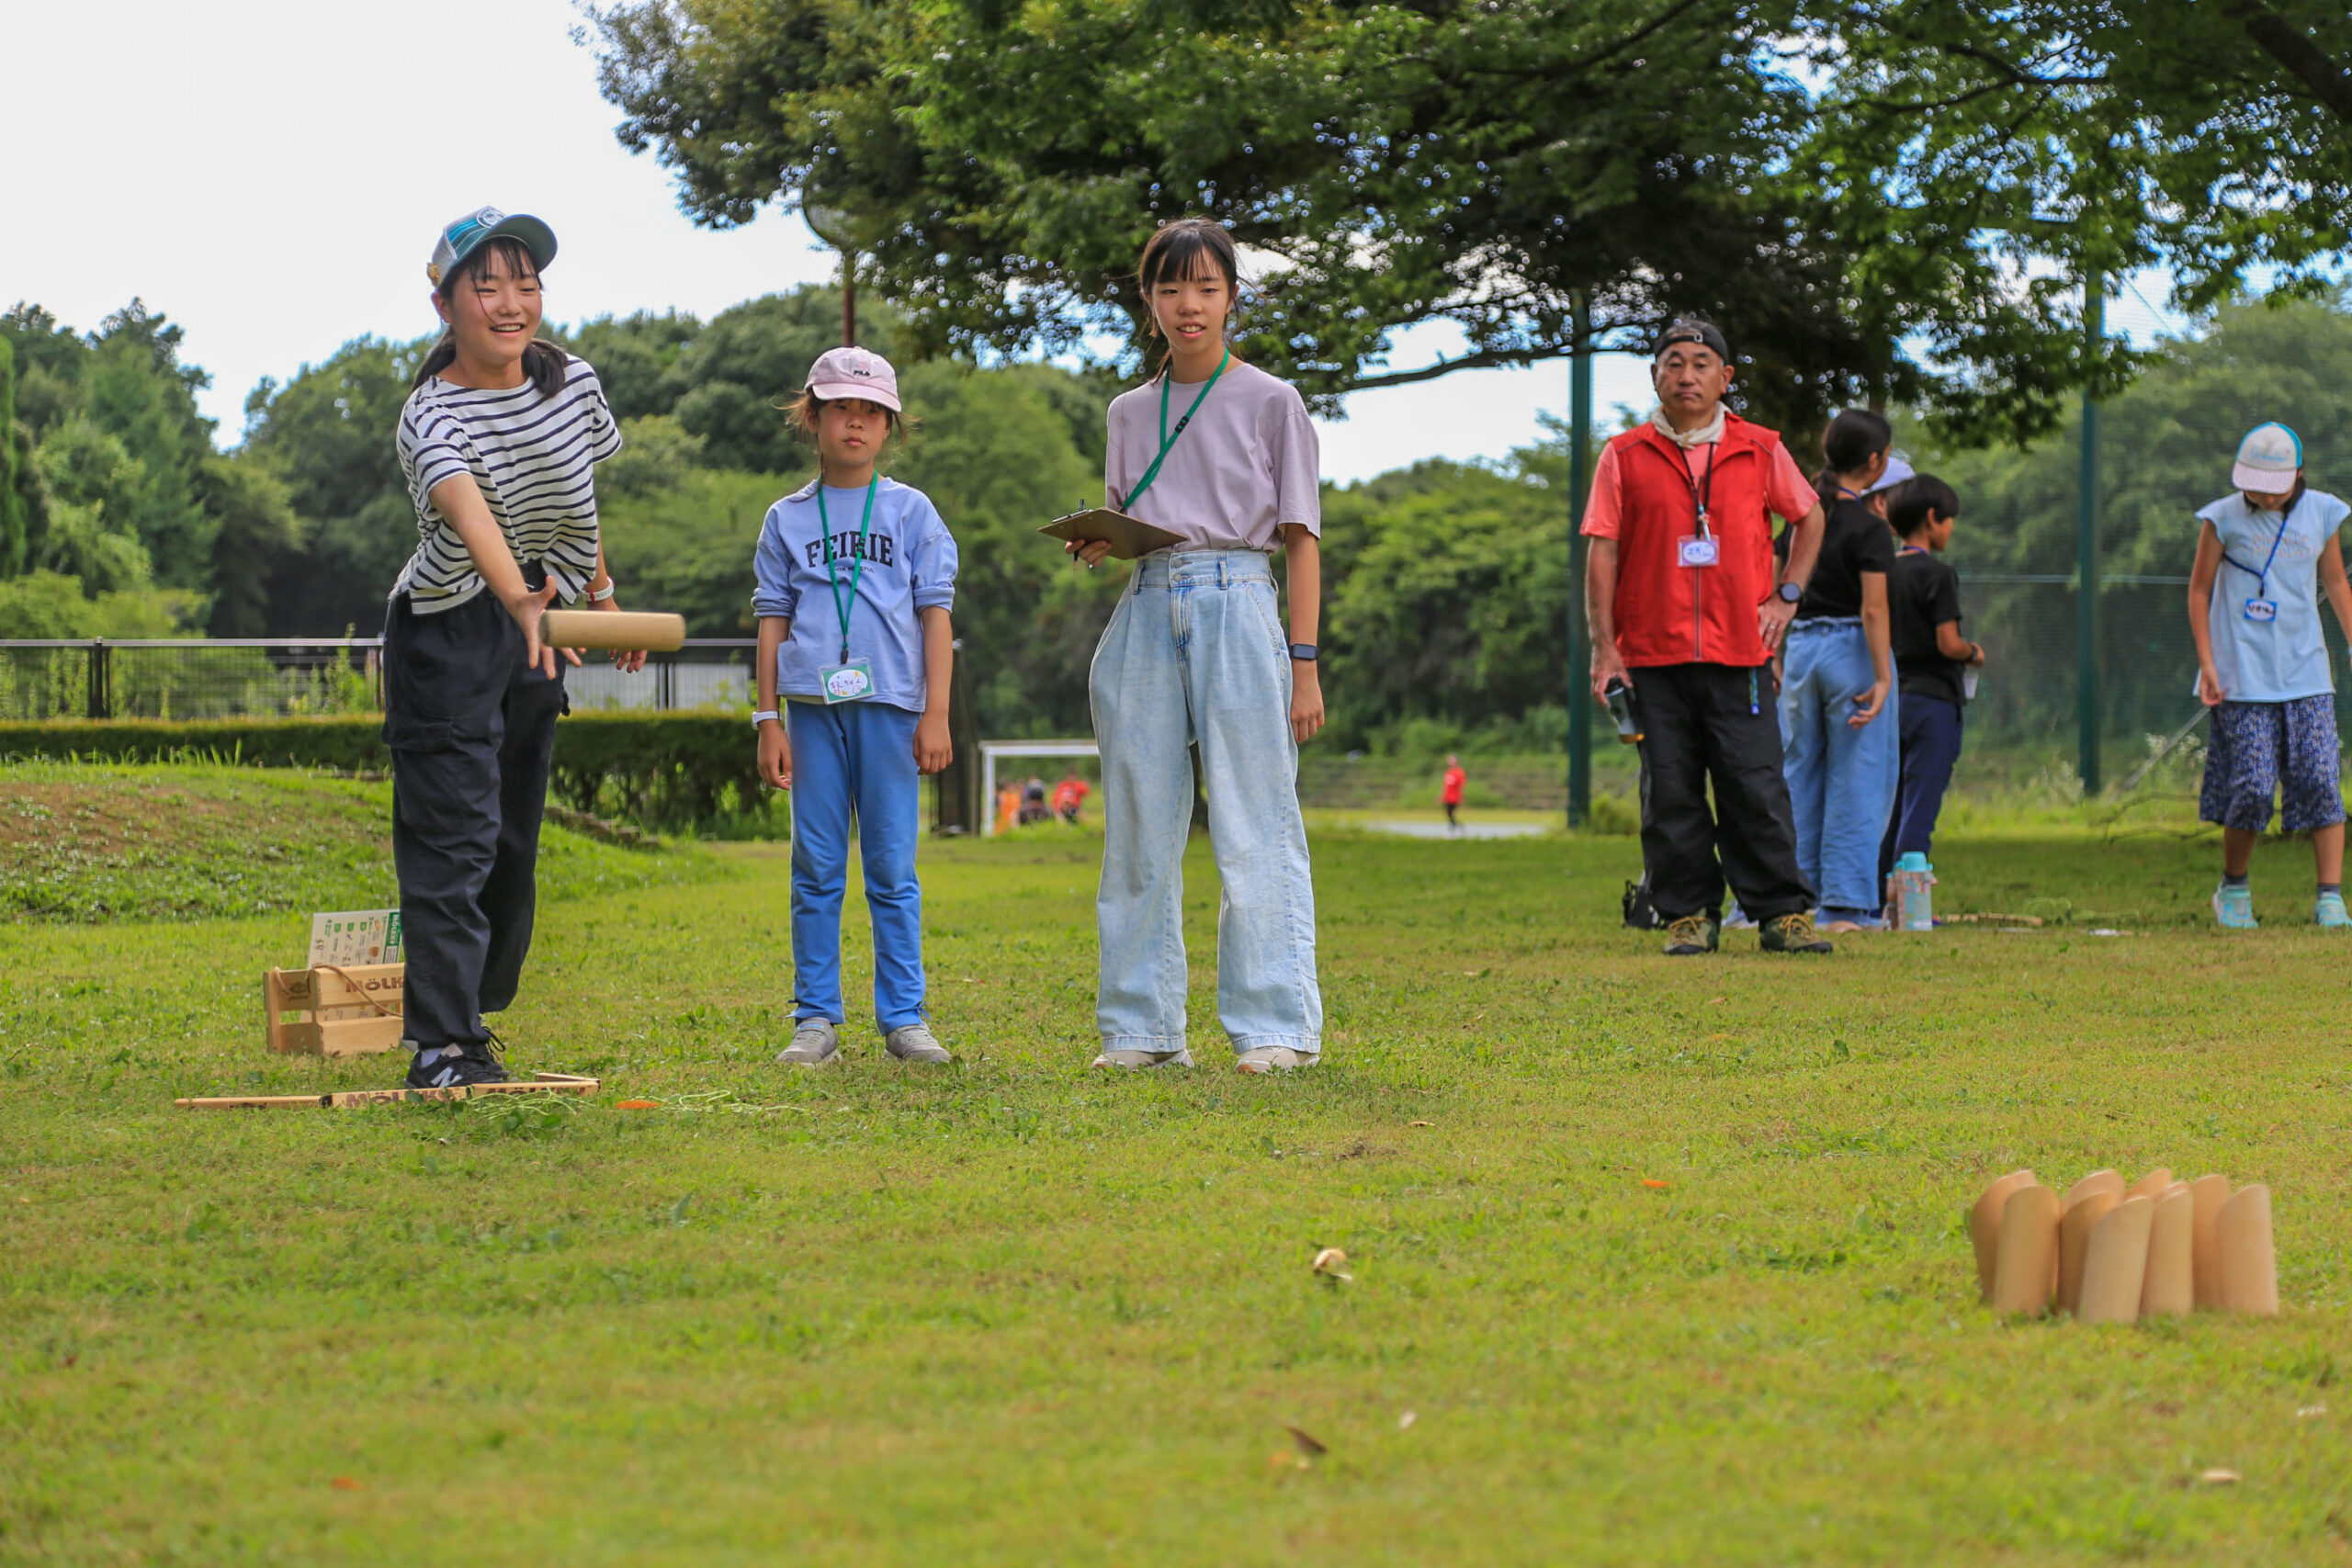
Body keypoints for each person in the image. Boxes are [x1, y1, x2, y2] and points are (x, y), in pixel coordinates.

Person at [387, 208, 636, 1090]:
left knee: (509, 839)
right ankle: (439, 1046)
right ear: (444, 302)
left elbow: (577, 502)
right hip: (449, 624)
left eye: (524, 282)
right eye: (485, 284)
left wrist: (596, 596)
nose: (509, 301)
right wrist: (520, 600)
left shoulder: (572, 382)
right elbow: (467, 509)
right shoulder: (430, 413)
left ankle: (471, 1017)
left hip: (538, 613)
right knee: (452, 835)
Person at [1067, 218, 1325, 1071]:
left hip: (1240, 598)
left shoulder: (1273, 400)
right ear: (1147, 302)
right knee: (1138, 823)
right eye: (1171, 288)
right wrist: (1104, 540)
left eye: (1207, 287)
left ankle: (1275, 1028)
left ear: (1231, 299)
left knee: (1255, 819)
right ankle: (1141, 1029)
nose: (1189, 305)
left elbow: (1300, 539)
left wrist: (1304, 661)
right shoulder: (1128, 412)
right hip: (1147, 600)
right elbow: (1138, 517)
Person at [1583, 317, 1833, 956]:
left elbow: (1809, 517)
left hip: (1741, 651)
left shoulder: (1760, 447)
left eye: (1701, 362)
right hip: (1651, 655)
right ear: (1655, 376)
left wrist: (1787, 596)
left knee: (1756, 783)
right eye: (1673, 362)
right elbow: (1603, 552)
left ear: (1725, 377)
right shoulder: (1624, 454)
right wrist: (1605, 646)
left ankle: (1782, 912)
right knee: (1669, 789)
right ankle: (1688, 912)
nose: (1686, 374)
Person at [752, 346, 960, 1064]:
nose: (856, 423)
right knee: (814, 863)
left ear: (889, 425)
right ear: (813, 416)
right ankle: (816, 1019)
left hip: (894, 710)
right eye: (841, 407)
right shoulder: (786, 518)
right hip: (811, 709)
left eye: (871, 411)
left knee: (892, 868)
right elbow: (772, 620)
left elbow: (936, 614)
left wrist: (936, 713)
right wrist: (767, 719)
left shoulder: (911, 511)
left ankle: (904, 1018)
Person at [2187, 422, 2352, 929]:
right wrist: (2208, 666)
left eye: (2270, 483)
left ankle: (2330, 897)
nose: (2257, 492)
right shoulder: (2221, 518)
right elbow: (2198, 591)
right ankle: (2233, 889)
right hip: (2241, 678)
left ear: (2297, 475)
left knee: (2322, 780)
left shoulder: (2323, 512)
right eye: (2251, 481)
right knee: (2254, 787)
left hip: (2307, 674)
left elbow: (2336, 580)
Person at [1778, 411, 1899, 931]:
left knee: (1797, 774)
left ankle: (1790, 897)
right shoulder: (1870, 528)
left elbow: (1778, 588)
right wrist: (1883, 677)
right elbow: (1874, 610)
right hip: (1851, 650)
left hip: (1800, 649)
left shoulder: (1800, 518)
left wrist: (1777, 655)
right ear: (1874, 462)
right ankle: (1845, 906)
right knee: (1857, 776)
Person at [1878, 474, 1982, 883]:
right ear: (1931, 518)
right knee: (1922, 800)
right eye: (1949, 519)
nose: (1951, 529)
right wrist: (1973, 652)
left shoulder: (1882, 572)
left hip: (1891, 698)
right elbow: (1947, 642)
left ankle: (1875, 897)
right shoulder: (1938, 575)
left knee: (1893, 801)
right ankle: (1909, 899)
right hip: (1934, 701)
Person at [1441, 754, 1466, 833]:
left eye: (1451, 760)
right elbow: (1445, 786)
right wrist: (1441, 796)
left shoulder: (1459, 772)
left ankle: (1455, 825)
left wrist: (1462, 797)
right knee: (1448, 812)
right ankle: (1455, 825)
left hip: (1455, 796)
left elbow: (1461, 786)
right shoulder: (1448, 772)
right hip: (1448, 796)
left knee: (1450, 812)